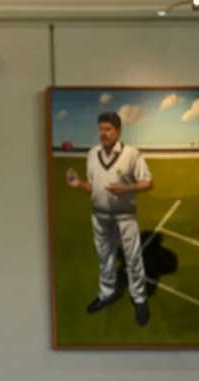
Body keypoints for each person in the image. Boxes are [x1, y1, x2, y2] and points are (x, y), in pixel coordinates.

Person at [66, 111, 153, 326]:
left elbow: (148, 183)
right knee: (104, 257)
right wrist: (79, 184)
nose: (103, 133)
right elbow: (93, 188)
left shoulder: (132, 153)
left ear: (118, 130)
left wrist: (127, 187)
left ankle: (140, 298)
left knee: (132, 259)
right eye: (100, 129)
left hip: (125, 216)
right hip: (100, 216)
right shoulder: (91, 154)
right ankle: (106, 293)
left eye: (108, 129)